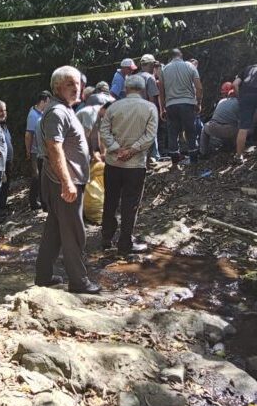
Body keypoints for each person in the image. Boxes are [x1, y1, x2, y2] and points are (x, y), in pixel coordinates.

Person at [35, 65, 99, 294]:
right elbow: (54, 147)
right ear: (57, 87)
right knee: (73, 232)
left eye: (78, 83)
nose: (76, 87)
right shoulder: (57, 112)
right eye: (70, 84)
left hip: (63, 180)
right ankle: (79, 281)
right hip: (63, 181)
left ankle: (43, 276)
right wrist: (67, 181)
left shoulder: (64, 109)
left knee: (54, 230)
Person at [98, 73, 158, 253]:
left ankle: (106, 238)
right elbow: (150, 135)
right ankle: (125, 243)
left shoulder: (113, 107)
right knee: (130, 203)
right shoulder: (150, 108)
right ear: (142, 89)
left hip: (113, 163)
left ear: (125, 88)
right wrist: (132, 150)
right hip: (135, 165)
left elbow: (104, 131)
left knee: (110, 200)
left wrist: (117, 149)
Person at [158, 48, 203, 163]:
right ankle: (193, 157)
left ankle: (174, 158)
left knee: (173, 131)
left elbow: (161, 91)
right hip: (187, 103)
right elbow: (199, 87)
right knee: (190, 130)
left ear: (170, 57)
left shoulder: (164, 69)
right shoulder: (190, 66)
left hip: (171, 104)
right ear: (181, 55)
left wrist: (162, 108)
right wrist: (198, 103)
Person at [25, 91, 51, 211]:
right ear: (43, 101)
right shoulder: (33, 115)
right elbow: (28, 134)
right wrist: (28, 150)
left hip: (41, 150)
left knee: (41, 176)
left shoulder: (41, 113)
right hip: (35, 150)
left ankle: (41, 200)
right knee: (36, 176)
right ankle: (33, 202)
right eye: (48, 102)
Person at [200, 82, 241, 157]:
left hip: (214, 127)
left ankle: (203, 153)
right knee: (239, 128)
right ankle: (235, 147)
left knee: (204, 129)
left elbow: (215, 118)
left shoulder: (221, 101)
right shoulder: (239, 102)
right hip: (229, 130)